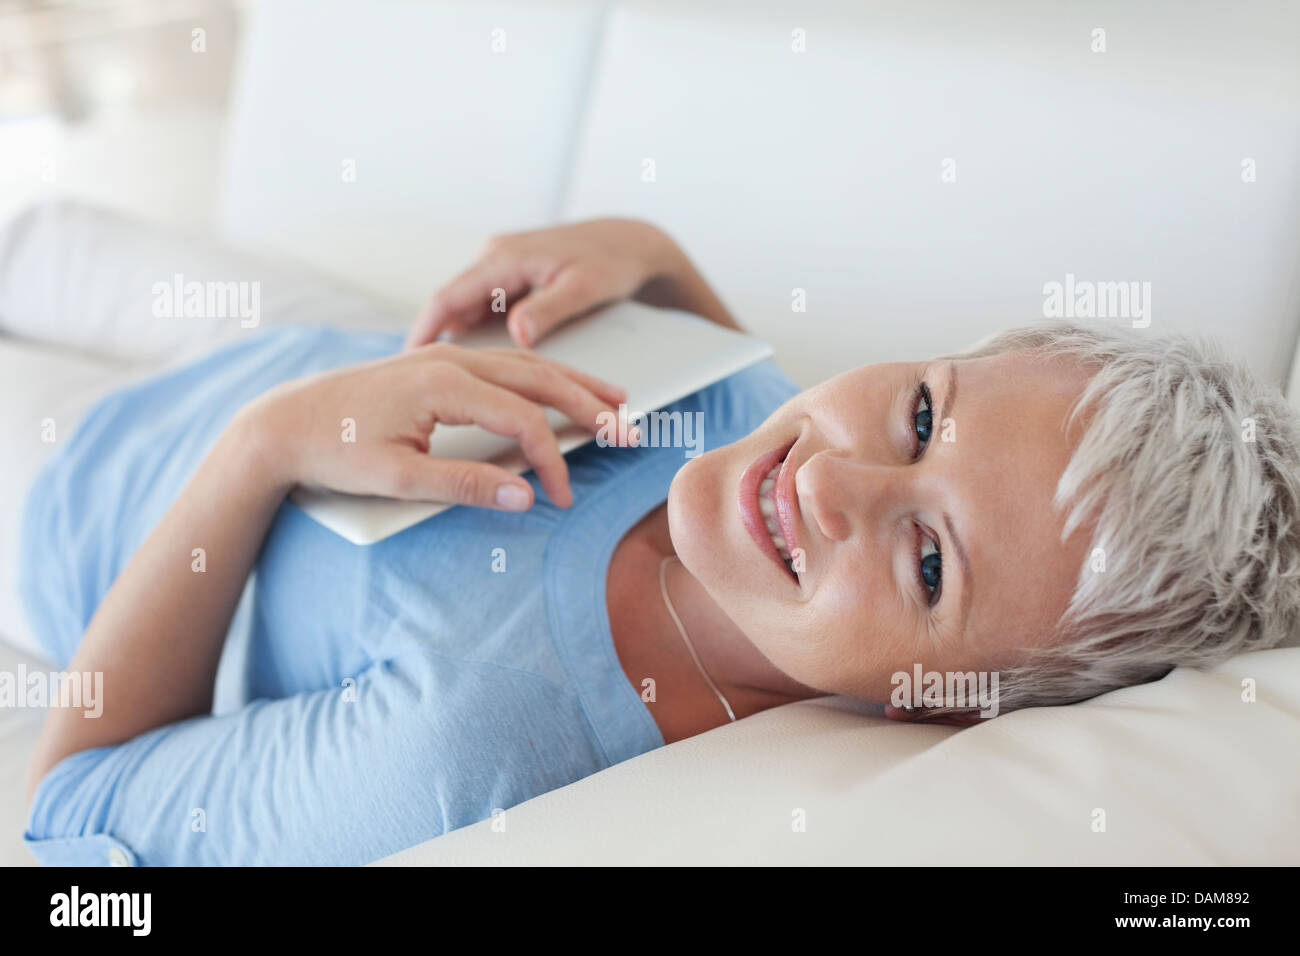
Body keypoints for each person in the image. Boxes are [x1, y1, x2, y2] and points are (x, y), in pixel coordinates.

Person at [6, 202, 1298, 866]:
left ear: (941, 705)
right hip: (304, 344)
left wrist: (265, 447)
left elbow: (68, 808)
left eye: (927, 563)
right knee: (41, 234)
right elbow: (800, 461)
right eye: (919, 410)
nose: (831, 479)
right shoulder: (754, 440)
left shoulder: (466, 750)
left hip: (88, 504)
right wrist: (658, 260)